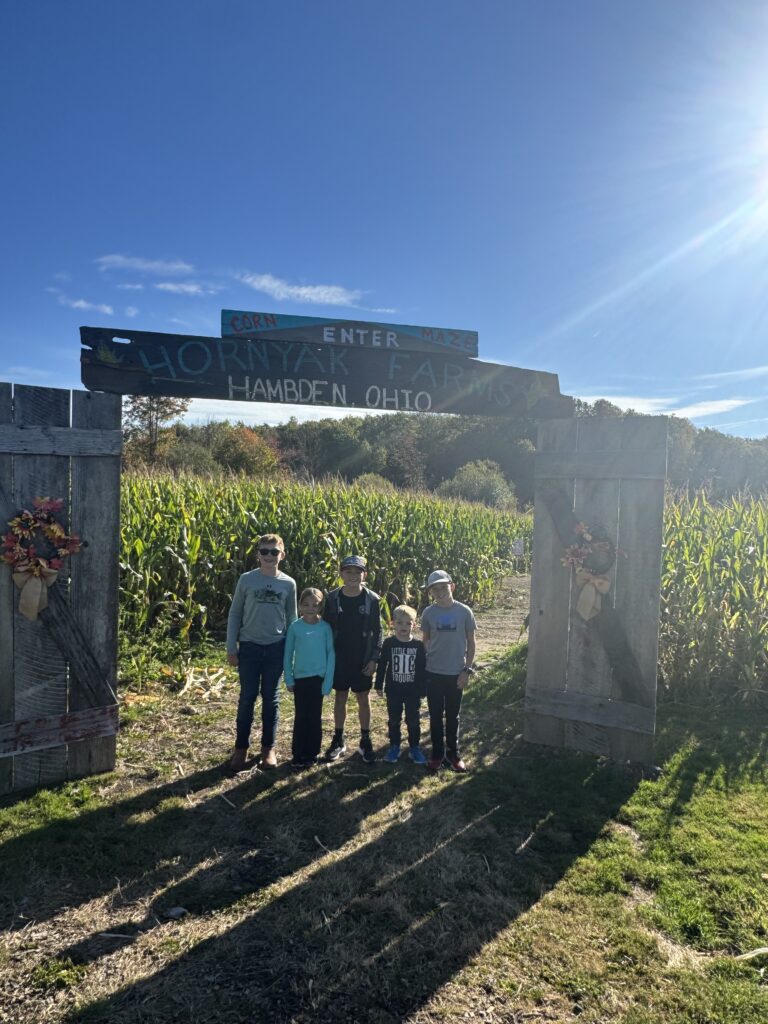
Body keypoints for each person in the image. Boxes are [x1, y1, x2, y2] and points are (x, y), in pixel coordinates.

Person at [226, 533, 297, 772]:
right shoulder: (247, 580)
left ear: (282, 555)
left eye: (274, 552)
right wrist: (231, 647)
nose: (269, 556)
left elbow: (292, 618)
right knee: (247, 697)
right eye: (264, 551)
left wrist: (292, 651)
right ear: (258, 554)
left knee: (271, 698)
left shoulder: (288, 583)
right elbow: (235, 613)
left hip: (276, 647)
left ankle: (268, 748)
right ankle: (241, 748)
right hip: (249, 647)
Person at [323, 555, 382, 764]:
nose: (353, 576)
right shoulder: (332, 598)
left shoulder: (372, 599)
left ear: (364, 575)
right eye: (348, 571)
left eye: (358, 572)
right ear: (341, 573)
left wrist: (374, 658)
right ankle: (338, 739)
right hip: (339, 657)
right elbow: (326, 629)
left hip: (362, 658)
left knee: (363, 698)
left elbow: (378, 631)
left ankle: (365, 740)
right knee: (340, 697)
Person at [420, 569, 476, 773]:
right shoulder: (428, 613)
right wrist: (425, 666)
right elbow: (425, 641)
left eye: (444, 587)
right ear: (430, 592)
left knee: (453, 716)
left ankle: (453, 754)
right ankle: (437, 754)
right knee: (435, 716)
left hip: (456, 673)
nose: (440, 592)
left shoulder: (464, 611)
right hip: (433, 672)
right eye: (435, 589)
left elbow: (471, 643)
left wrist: (466, 670)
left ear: (452, 586)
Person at [283, 588, 335, 769]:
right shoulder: (295, 627)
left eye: (315, 605)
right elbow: (288, 654)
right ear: (300, 606)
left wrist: (328, 682)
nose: (310, 608)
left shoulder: (325, 628)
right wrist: (289, 678)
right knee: (301, 717)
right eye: (306, 605)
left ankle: (312, 753)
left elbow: (331, 654)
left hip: (318, 679)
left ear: (320, 607)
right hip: (300, 679)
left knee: (314, 717)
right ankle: (298, 753)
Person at [375, 605, 427, 764]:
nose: (403, 626)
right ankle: (394, 746)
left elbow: (421, 668)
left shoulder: (418, 645)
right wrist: (378, 684)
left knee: (413, 720)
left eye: (408, 623)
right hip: (394, 690)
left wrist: (423, 689)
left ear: (414, 625)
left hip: (412, 691)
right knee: (394, 720)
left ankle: (414, 748)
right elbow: (382, 664)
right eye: (399, 623)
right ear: (392, 624)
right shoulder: (388, 643)